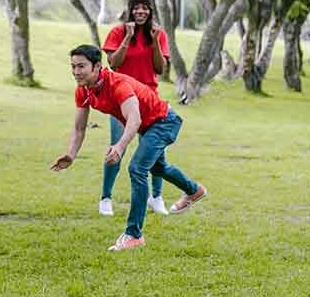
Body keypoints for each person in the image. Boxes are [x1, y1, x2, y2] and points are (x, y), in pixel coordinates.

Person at [51, 45, 207, 251]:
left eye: (81, 66)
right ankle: (194, 190)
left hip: (163, 121)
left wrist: (119, 146)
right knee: (158, 168)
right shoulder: (83, 91)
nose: (76, 72)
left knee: (137, 169)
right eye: (73, 66)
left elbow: (134, 119)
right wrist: (71, 154)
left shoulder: (118, 84)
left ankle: (134, 235)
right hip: (149, 125)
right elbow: (79, 128)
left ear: (97, 66)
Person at [100, 0, 171, 217]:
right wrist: (128, 38)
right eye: (136, 7)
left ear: (150, 10)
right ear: (129, 9)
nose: (140, 11)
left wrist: (156, 42)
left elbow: (160, 69)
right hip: (121, 97)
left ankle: (156, 196)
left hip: (149, 98)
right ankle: (106, 198)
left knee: (156, 150)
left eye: (145, 7)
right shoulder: (118, 32)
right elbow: (113, 65)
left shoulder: (157, 34)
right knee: (117, 144)